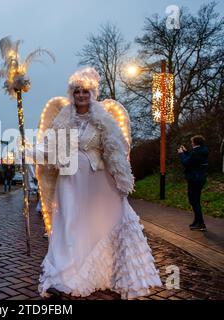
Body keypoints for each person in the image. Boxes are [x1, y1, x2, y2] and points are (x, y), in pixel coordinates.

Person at [36, 67, 161, 299]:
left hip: (96, 181)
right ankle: (66, 276)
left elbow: (118, 148)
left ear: (92, 93)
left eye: (85, 91)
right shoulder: (63, 117)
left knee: (96, 223)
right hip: (69, 181)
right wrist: (31, 151)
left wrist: (118, 174)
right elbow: (49, 145)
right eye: (77, 91)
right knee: (69, 223)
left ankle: (98, 273)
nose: (81, 95)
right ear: (72, 94)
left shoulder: (104, 118)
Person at [177, 135, 209, 231]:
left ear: (195, 142)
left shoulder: (197, 152)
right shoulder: (202, 150)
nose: (191, 143)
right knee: (196, 200)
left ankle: (201, 224)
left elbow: (186, 163)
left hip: (194, 179)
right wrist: (186, 152)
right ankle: (197, 221)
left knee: (193, 201)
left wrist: (181, 154)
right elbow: (192, 161)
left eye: (192, 142)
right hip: (200, 178)